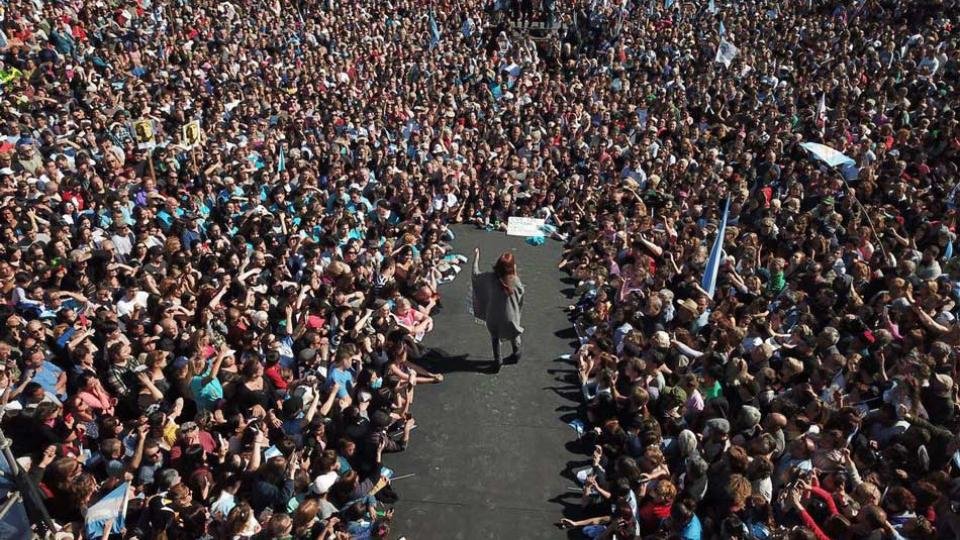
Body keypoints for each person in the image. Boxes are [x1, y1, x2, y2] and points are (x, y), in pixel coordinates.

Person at [472, 248, 525, 370]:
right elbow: (521, 296)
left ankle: (497, 360)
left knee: (495, 337)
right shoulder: (515, 281)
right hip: (511, 317)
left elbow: (475, 274)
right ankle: (516, 353)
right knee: (514, 333)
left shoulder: (490, 278)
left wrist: (476, 257)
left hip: (493, 316)